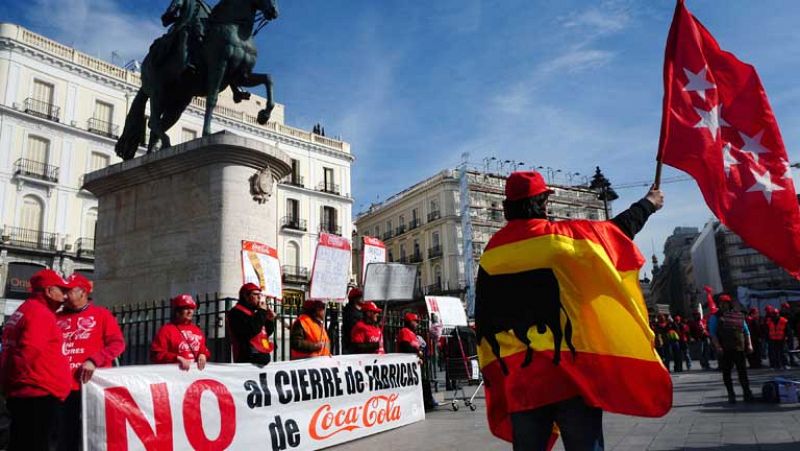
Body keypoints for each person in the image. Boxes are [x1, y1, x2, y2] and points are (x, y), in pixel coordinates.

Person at [475, 170, 665, 450]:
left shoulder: (492, 252)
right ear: (544, 203)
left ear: (507, 208)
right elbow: (616, 232)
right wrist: (648, 203)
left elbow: (485, 319)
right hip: (569, 375)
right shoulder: (561, 240)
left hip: (521, 380)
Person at [0, 269, 72, 451]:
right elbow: (29, 352)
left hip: (27, 392)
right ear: (49, 291)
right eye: (62, 290)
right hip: (37, 394)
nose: (65, 296)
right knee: (37, 443)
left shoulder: (25, 310)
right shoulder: (40, 314)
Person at [56, 273, 126, 451]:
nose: (64, 295)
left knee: (95, 436)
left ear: (83, 292)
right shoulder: (56, 318)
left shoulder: (101, 315)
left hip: (92, 387)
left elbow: (118, 344)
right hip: (62, 387)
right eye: (63, 290)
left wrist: (94, 361)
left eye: (69, 290)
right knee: (64, 436)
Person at [708, 294, 754, 403]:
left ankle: (747, 393)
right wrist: (718, 346)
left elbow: (746, 332)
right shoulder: (715, 317)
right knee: (726, 373)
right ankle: (731, 394)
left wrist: (749, 345)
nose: (723, 305)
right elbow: (713, 333)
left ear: (730, 304)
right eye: (721, 303)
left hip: (739, 348)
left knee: (742, 372)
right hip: (724, 349)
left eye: (725, 303)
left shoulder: (738, 315)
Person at [151, 294, 210, 370]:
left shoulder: (197, 330)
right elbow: (156, 354)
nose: (190, 311)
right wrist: (177, 358)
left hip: (195, 375)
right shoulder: (166, 330)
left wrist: (203, 354)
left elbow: (203, 349)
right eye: (186, 308)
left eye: (192, 308)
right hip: (174, 376)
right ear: (177, 312)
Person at [397, 312, 438, 410]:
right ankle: (427, 403)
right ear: (410, 321)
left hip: (414, 366)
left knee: (424, 382)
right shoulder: (404, 331)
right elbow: (405, 346)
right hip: (406, 366)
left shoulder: (412, 334)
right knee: (423, 383)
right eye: (415, 322)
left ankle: (427, 402)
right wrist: (417, 351)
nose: (417, 324)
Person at [227, 283, 276, 365]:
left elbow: (267, 332)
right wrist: (261, 312)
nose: (259, 297)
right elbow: (251, 330)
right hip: (247, 361)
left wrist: (269, 320)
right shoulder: (236, 312)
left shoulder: (254, 313)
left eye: (260, 294)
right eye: (255, 294)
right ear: (246, 296)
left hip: (261, 358)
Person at [342, 287, 364, 354]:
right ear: (355, 299)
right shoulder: (350, 313)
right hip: (352, 346)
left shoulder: (361, 311)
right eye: (361, 296)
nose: (364, 298)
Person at [766, 305, 789, 369]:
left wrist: (786, 336)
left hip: (781, 338)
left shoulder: (783, 320)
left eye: (776, 314)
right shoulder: (769, 321)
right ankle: (776, 365)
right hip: (773, 339)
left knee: (783, 352)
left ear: (778, 313)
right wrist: (767, 337)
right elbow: (767, 329)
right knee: (775, 353)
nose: (775, 315)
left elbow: (787, 330)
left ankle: (785, 364)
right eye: (774, 314)